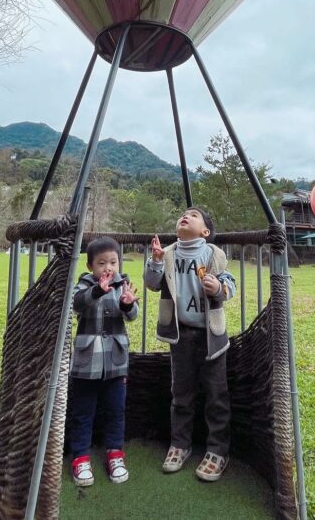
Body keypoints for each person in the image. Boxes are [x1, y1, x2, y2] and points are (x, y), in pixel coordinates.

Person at [143, 208, 236, 482]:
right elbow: (152, 283)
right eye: (183, 214)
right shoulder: (168, 253)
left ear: (205, 231)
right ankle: (180, 444)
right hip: (180, 335)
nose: (186, 216)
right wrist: (156, 262)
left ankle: (218, 449)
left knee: (217, 395)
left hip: (211, 336)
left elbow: (230, 283)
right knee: (181, 394)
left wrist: (218, 288)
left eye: (193, 215)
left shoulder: (213, 254)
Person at [68, 236, 138, 487]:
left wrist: (128, 305)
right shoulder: (84, 284)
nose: (108, 268)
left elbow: (132, 316)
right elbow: (77, 304)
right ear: (90, 267)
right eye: (101, 263)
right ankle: (80, 457)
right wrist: (98, 289)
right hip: (86, 362)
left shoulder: (123, 284)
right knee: (83, 411)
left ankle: (115, 453)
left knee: (115, 410)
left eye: (113, 262)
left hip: (115, 362)